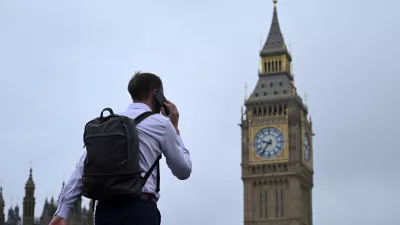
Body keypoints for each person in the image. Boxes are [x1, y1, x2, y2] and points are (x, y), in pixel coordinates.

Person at [49, 72, 192, 225]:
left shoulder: (107, 125)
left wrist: (63, 211)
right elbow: (183, 170)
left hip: (105, 211)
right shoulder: (161, 124)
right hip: (140, 212)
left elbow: (81, 169)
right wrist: (175, 128)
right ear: (156, 94)